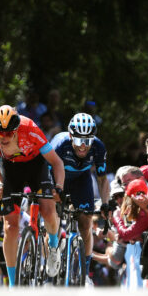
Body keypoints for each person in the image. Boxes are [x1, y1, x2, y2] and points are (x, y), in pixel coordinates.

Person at [0, 105, 65, 285]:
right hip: (11, 169)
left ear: (17, 130)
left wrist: (58, 187)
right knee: (9, 227)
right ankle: (13, 284)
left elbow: (57, 163)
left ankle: (52, 247)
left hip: (36, 166)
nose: (3, 138)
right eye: (0, 133)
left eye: (8, 133)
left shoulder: (31, 130)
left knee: (48, 211)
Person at [51, 113, 110, 278]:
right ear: (70, 136)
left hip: (81, 180)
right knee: (52, 216)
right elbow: (47, 173)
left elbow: (102, 178)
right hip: (56, 178)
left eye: (87, 141)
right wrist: (55, 193)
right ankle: (53, 250)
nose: (83, 146)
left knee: (86, 223)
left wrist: (105, 204)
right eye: (78, 141)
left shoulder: (98, 147)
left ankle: (85, 271)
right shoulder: (60, 145)